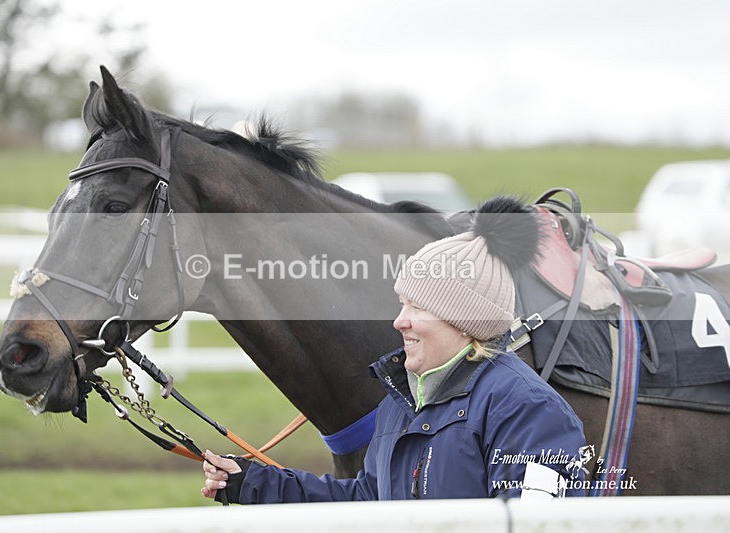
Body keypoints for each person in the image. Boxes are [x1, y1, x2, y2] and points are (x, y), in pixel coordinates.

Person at [202, 200, 587, 502]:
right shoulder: (398, 404)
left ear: (462, 318)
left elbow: (539, 523)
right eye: (402, 304)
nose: (399, 321)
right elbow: (368, 500)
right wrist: (253, 483)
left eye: (417, 307)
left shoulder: (530, 411)